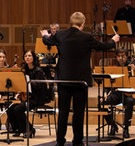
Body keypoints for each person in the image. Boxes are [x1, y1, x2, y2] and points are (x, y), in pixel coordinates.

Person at [42, 12, 119, 146]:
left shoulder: (60, 34)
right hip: (80, 81)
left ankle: (60, 141)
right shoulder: (86, 37)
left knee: (63, 112)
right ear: (82, 24)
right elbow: (103, 46)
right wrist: (114, 41)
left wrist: (44, 36)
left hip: (64, 80)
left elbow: (47, 41)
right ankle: (77, 141)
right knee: (78, 112)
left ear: (71, 22)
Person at [6, 50, 50, 138]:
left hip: (37, 98)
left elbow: (39, 87)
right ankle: (18, 129)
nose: (27, 57)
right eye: (26, 56)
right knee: (10, 107)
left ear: (33, 58)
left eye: (29, 56)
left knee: (18, 109)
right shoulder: (25, 69)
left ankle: (29, 129)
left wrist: (28, 82)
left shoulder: (38, 70)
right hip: (28, 97)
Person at [103, 48, 135, 138]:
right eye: (119, 56)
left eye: (123, 56)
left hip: (129, 93)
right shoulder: (114, 67)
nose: (121, 58)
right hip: (117, 93)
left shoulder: (132, 65)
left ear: (127, 57)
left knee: (130, 102)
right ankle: (112, 125)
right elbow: (108, 82)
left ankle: (126, 128)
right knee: (102, 103)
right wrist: (105, 92)